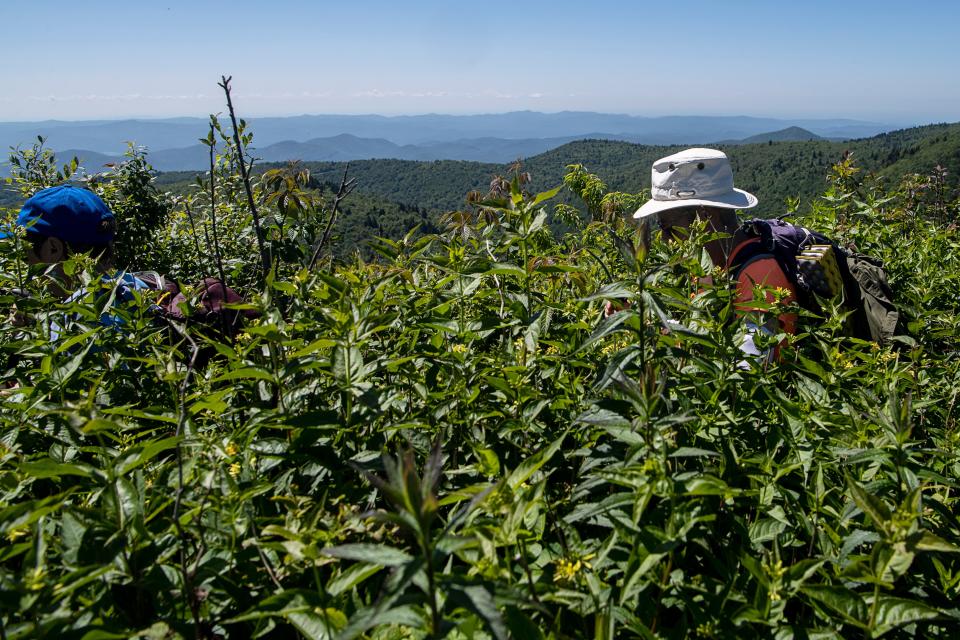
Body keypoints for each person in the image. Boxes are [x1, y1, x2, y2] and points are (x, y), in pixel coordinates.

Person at [630, 148, 799, 358]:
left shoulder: (760, 276)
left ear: (704, 216)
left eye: (669, 227)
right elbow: (705, 334)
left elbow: (748, 369)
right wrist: (640, 319)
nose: (665, 239)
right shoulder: (713, 266)